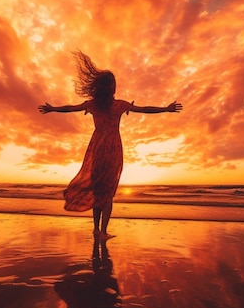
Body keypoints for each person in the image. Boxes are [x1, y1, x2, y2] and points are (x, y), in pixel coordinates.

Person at [39, 51, 182, 240]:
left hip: (97, 148)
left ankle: (97, 230)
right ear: (111, 88)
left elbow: (70, 108)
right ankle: (103, 232)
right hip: (113, 149)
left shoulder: (92, 105)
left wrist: (53, 109)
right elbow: (145, 109)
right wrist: (166, 108)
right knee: (107, 193)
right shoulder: (119, 105)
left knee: (99, 190)